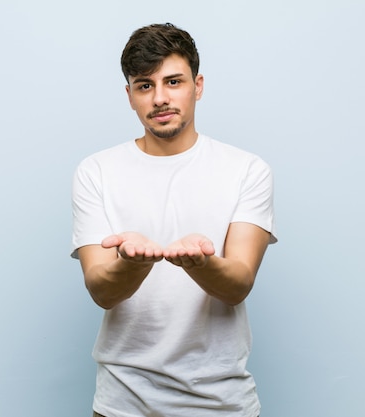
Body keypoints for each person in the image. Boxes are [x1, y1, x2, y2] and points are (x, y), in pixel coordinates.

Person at [71, 22, 277, 417]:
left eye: (174, 82)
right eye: (145, 85)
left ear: (198, 86)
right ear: (129, 95)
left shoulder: (247, 169)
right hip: (121, 405)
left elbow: (237, 285)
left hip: (222, 405)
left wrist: (200, 263)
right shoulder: (95, 171)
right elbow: (102, 290)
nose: (160, 98)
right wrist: (133, 265)